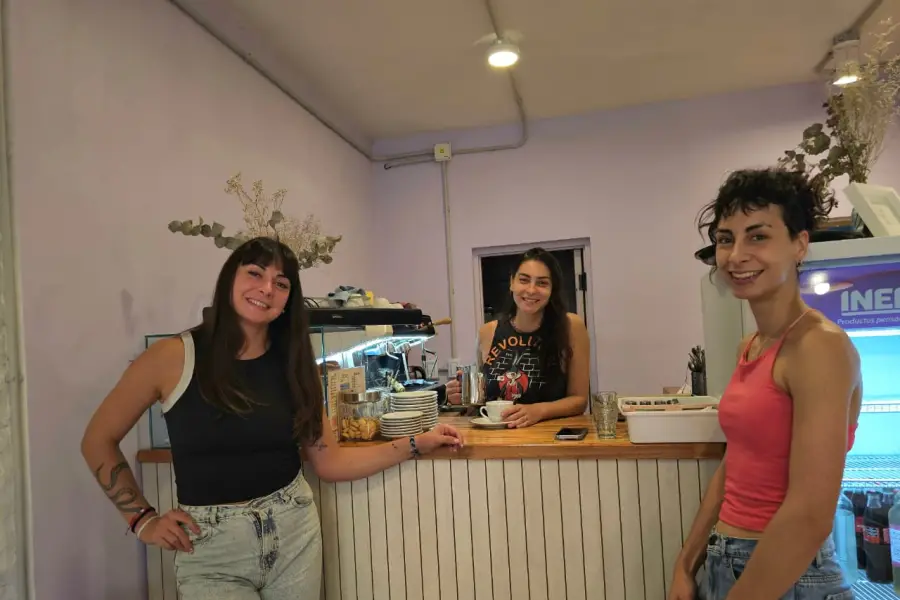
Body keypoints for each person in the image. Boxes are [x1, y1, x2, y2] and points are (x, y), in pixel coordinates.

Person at [81, 237, 463, 599]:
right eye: (254, 273)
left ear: (287, 301)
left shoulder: (297, 364)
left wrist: (415, 443)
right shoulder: (173, 356)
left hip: (294, 530)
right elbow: (98, 439)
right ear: (229, 279)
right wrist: (142, 520)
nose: (266, 288)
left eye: (280, 283)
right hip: (212, 546)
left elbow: (330, 461)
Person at [668, 169, 861, 600]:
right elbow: (736, 462)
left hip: (789, 574)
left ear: (799, 244)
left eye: (757, 236)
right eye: (725, 239)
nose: (736, 255)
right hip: (728, 560)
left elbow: (811, 515)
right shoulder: (751, 345)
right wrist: (687, 562)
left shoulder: (819, 347)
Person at [445, 247, 590, 428]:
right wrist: (460, 397)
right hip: (497, 444)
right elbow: (482, 402)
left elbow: (579, 400)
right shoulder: (487, 332)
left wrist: (538, 411)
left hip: (550, 442)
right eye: (524, 280)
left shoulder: (571, 326)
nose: (531, 290)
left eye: (542, 283)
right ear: (511, 282)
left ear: (552, 289)